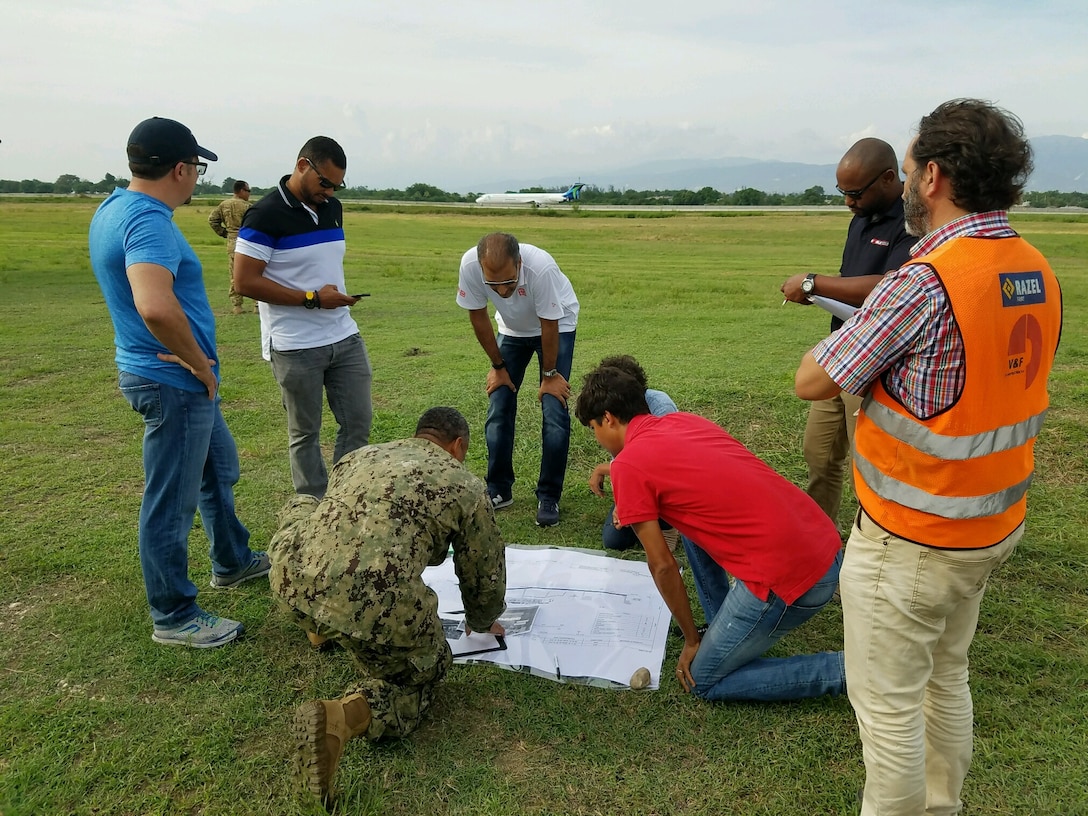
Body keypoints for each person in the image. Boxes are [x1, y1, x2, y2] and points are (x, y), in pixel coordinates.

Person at [795, 99, 1063, 816]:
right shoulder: (1036, 267)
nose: (909, 183)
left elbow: (813, 380)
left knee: (887, 715)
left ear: (933, 176)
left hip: (911, 536)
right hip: (990, 525)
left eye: (911, 170)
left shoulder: (925, 277)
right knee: (946, 679)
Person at [88, 116, 270, 648]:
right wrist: (199, 362)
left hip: (169, 376)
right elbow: (153, 305)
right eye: (197, 167)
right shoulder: (148, 222)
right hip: (172, 379)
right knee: (171, 500)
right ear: (182, 168)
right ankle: (173, 614)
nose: (197, 178)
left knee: (219, 469)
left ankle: (232, 560)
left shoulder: (113, 208)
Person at [269, 407, 507, 805]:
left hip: (291, 579)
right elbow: (484, 568)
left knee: (303, 507)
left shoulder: (360, 456)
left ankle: (316, 627)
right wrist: (483, 620)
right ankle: (342, 717)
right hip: (375, 607)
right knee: (423, 674)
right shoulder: (464, 484)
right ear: (458, 445)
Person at [575, 364, 844, 702]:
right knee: (691, 529)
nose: (597, 438)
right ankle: (724, 627)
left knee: (701, 678)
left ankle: (852, 672)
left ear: (609, 418)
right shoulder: (682, 421)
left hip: (792, 578)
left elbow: (662, 566)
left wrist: (691, 640)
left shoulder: (629, 464)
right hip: (825, 544)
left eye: (593, 428)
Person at [780, 138, 913, 525]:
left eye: (855, 193)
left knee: (868, 463)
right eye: (843, 193)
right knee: (819, 455)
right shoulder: (861, 220)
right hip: (841, 353)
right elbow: (851, 281)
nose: (848, 202)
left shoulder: (912, 223)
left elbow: (894, 285)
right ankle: (820, 539)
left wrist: (814, 282)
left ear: (889, 178)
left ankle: (874, 537)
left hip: (876, 364)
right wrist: (820, 292)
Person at [233, 136, 372, 498]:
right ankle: (313, 513)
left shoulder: (332, 208)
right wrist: (312, 299)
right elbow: (243, 281)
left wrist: (334, 297)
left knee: (358, 423)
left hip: (343, 336)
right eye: (324, 182)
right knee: (305, 434)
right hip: (295, 346)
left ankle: (344, 501)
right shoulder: (264, 215)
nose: (329, 191)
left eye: (336, 186)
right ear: (301, 165)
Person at [456, 232, 579, 527]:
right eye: (493, 284)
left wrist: (550, 376)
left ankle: (548, 495)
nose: (502, 291)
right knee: (499, 403)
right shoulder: (470, 266)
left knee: (553, 406)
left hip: (557, 325)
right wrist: (498, 366)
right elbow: (478, 316)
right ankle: (498, 488)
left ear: (519, 263)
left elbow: (549, 323)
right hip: (512, 331)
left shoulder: (541, 268)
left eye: (510, 281)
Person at [585, 355, 679, 551]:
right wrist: (623, 498)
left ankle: (669, 523)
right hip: (636, 481)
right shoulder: (614, 417)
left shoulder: (660, 407)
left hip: (664, 485)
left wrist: (629, 499)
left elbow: (659, 467)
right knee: (614, 540)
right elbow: (625, 462)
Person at [207, 179, 253, 314]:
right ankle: (257, 304)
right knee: (254, 272)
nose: (249, 194)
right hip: (247, 242)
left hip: (232, 242)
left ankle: (237, 305)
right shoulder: (248, 207)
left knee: (234, 274)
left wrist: (224, 233)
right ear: (241, 191)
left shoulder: (223, 205)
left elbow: (212, 220)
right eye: (248, 191)